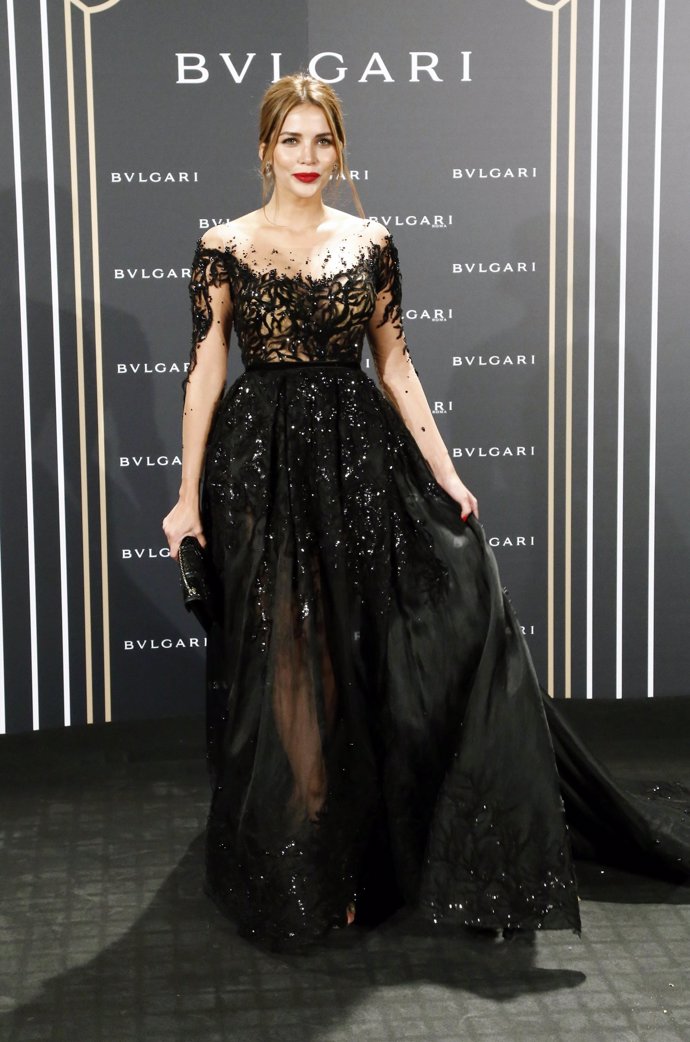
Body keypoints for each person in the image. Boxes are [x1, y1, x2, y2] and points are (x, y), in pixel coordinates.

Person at [163, 73, 690, 950]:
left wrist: (447, 475)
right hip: (258, 465)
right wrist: (186, 498)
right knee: (288, 654)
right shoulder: (223, 246)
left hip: (359, 460)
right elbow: (206, 371)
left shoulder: (370, 242)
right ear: (265, 148)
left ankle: (372, 848)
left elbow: (396, 365)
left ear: (340, 149)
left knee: (363, 652)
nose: (307, 156)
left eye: (323, 140)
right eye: (292, 140)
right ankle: (311, 852)